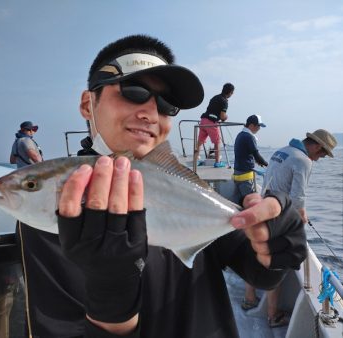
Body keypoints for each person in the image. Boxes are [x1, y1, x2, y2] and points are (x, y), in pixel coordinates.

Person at [17, 34, 307, 338]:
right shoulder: (51, 211)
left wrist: (280, 243)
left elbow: (256, 269)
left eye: (167, 105)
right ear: (88, 103)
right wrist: (111, 304)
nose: (151, 114)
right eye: (133, 91)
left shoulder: (187, 187)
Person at [261, 129, 337, 328]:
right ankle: (273, 315)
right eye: (322, 154)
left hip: (263, 208)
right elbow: (297, 198)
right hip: (278, 217)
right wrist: (302, 217)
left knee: (259, 254)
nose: (320, 159)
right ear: (317, 146)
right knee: (278, 263)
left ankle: (250, 299)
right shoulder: (303, 160)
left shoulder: (283, 150)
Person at [231, 114, 269, 312]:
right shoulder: (248, 137)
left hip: (237, 175)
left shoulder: (239, 135)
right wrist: (267, 165)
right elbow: (256, 155)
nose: (259, 129)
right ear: (252, 125)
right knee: (252, 211)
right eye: (258, 127)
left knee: (236, 208)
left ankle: (234, 237)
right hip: (246, 177)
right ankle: (249, 240)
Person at [193, 82, 234, 168]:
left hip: (203, 120)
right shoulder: (224, 101)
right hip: (211, 123)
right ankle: (217, 163)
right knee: (217, 142)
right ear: (230, 92)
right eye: (232, 92)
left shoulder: (215, 97)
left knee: (199, 142)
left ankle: (195, 161)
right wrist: (226, 117)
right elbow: (223, 116)